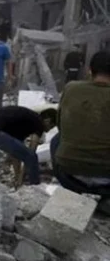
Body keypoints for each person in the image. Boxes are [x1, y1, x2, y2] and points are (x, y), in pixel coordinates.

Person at [51, 51, 110, 196]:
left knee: (56, 140)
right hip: (106, 176)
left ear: (90, 70)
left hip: (69, 175)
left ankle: (75, 192)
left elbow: (60, 126)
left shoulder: (71, 88)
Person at [0, 106, 56, 186]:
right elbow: (31, 153)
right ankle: (35, 188)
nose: (48, 130)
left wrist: (18, 178)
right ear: (47, 120)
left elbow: (15, 154)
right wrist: (21, 178)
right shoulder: (38, 122)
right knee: (32, 157)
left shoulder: (25, 121)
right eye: (51, 126)